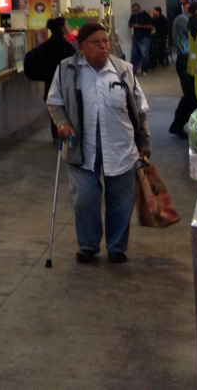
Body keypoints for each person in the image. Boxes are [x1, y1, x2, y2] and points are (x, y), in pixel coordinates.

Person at [46, 22, 151, 265]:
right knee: (84, 198)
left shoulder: (123, 69)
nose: (103, 46)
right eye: (96, 42)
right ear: (81, 46)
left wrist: (144, 141)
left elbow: (140, 109)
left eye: (106, 41)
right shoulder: (66, 70)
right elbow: (54, 101)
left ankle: (117, 247)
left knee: (121, 200)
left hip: (121, 146)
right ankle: (88, 245)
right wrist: (61, 123)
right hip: (81, 148)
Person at [23, 17, 76, 139]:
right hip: (65, 86)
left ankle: (57, 138)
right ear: (62, 28)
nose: (68, 27)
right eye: (67, 25)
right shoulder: (65, 46)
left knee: (54, 114)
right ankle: (63, 138)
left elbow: (31, 58)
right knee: (64, 114)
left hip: (50, 84)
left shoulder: (47, 45)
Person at [168, 2, 197, 136]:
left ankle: (179, 124)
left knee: (190, 96)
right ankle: (177, 125)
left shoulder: (186, 19)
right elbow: (193, 36)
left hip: (187, 59)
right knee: (190, 96)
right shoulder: (183, 20)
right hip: (185, 59)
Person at [127, 3, 153, 74]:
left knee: (144, 54)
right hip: (136, 37)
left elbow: (150, 26)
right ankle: (134, 69)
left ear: (139, 9)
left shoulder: (146, 15)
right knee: (134, 54)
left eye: (135, 11)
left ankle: (144, 69)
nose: (134, 12)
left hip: (145, 37)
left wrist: (139, 26)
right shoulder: (133, 16)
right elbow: (130, 23)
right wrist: (132, 25)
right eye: (133, 11)